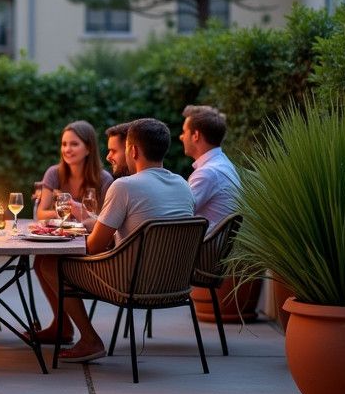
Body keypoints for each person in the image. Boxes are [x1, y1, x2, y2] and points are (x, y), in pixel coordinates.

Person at [30, 118, 195, 362]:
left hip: (130, 280)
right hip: (175, 283)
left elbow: (94, 246)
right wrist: (89, 221)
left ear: (133, 151)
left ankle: (89, 339)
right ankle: (64, 328)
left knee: (49, 264)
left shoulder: (124, 186)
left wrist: (68, 235)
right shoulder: (183, 185)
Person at [35, 120, 114, 221]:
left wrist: (79, 212)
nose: (67, 149)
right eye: (64, 144)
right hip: (61, 231)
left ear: (88, 148)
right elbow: (40, 213)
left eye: (74, 144)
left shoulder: (105, 180)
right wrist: (64, 212)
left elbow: (107, 221)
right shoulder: (53, 173)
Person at [180, 104, 242, 227]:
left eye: (184, 131)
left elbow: (177, 214)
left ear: (196, 135)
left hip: (204, 239)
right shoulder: (223, 164)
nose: (181, 137)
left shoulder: (208, 173)